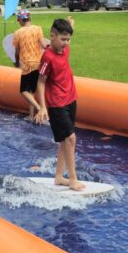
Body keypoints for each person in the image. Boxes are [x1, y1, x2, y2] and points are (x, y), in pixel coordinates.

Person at [34, 17, 83, 191]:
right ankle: (73, 179)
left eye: (68, 39)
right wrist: (42, 107)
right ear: (52, 36)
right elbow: (40, 82)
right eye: (63, 39)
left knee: (64, 140)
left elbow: (66, 32)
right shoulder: (47, 57)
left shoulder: (65, 48)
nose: (66, 43)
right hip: (56, 104)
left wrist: (71, 23)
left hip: (71, 98)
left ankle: (59, 176)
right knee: (71, 138)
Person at [12, 9, 49, 122]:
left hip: (28, 66)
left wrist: (16, 62)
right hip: (39, 64)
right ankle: (31, 116)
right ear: (30, 19)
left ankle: (40, 109)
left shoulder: (18, 33)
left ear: (19, 20)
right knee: (31, 92)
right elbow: (44, 45)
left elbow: (17, 52)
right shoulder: (38, 29)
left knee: (24, 91)